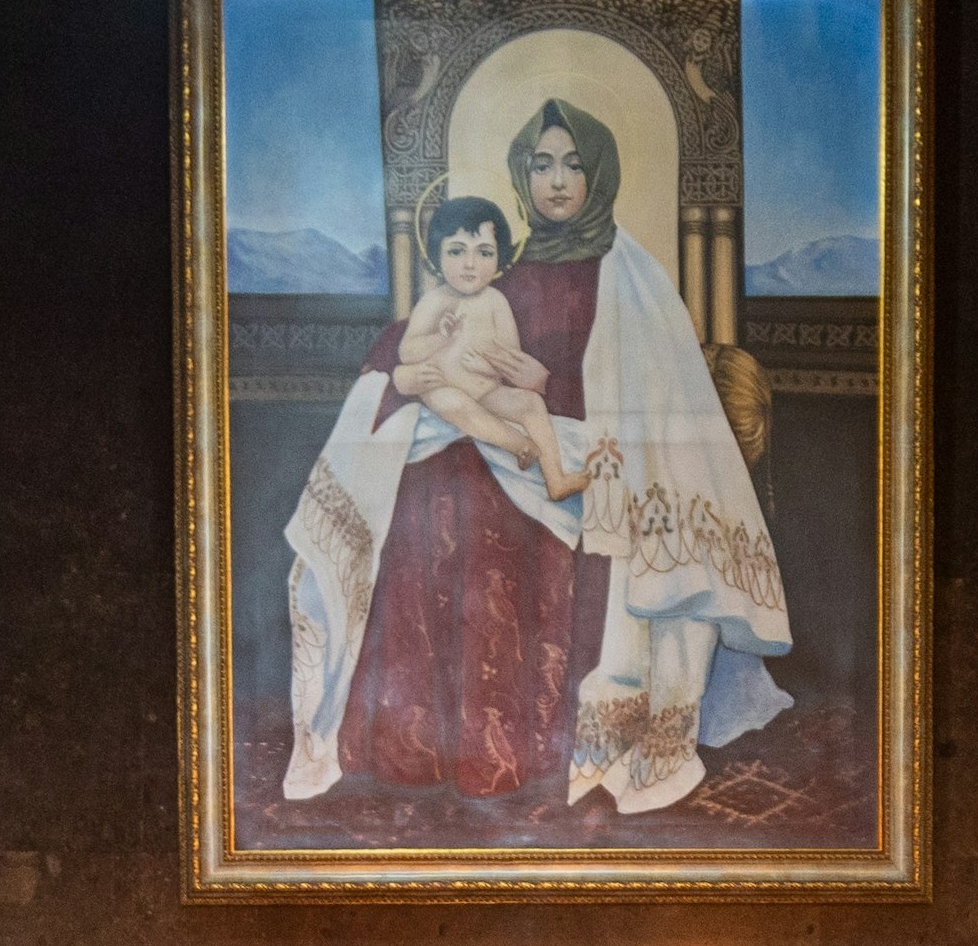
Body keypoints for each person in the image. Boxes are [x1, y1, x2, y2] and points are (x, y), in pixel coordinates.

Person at [281, 97, 793, 815]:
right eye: (541, 164)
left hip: (577, 450)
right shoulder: (504, 268)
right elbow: (444, 339)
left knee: (507, 496)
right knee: (433, 493)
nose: (556, 181)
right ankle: (429, 743)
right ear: (522, 176)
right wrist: (407, 367)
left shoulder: (627, 277)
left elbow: (632, 390)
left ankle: (543, 742)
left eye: (573, 165)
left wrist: (542, 389)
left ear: (599, 174)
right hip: (494, 450)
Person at [396, 198, 588, 501]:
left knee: (530, 404)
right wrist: (441, 338)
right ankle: (519, 444)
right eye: (457, 251)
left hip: (488, 390)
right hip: (442, 387)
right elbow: (408, 352)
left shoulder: (496, 302)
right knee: (454, 403)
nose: (469, 264)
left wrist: (487, 367)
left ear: (500, 259)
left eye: (484, 252)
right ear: (436, 255)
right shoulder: (433, 302)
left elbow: (510, 356)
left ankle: (557, 479)